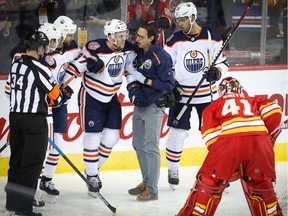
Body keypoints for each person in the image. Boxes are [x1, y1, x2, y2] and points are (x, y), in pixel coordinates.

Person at [176, 76, 283, 216]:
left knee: (209, 183)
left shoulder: (213, 106)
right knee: (261, 185)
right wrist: (263, 138)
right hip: (260, 143)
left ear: (222, 90)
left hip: (230, 145)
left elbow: (211, 139)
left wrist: (227, 164)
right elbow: (275, 112)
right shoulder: (252, 100)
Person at [163, 2, 229, 188]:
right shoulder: (174, 40)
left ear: (192, 18)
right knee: (177, 133)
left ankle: (219, 171)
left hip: (206, 96)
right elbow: (167, 67)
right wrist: (172, 85)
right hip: (181, 95)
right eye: (178, 20)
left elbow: (224, 63)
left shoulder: (212, 37)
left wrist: (216, 72)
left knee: (213, 135)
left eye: (183, 20)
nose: (180, 23)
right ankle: (173, 170)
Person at [4, 30, 62, 216]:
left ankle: (13, 204)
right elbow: (56, 98)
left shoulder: (15, 65)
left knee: (17, 163)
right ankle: (24, 209)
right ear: (39, 48)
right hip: (34, 121)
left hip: (15, 118)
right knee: (32, 165)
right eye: (43, 48)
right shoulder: (41, 68)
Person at [78, 19, 138, 198]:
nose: (124, 38)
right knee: (93, 134)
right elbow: (76, 66)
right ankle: (93, 176)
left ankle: (92, 170)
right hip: (92, 96)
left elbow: (129, 71)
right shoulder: (93, 48)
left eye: (125, 35)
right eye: (120, 36)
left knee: (112, 137)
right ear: (110, 36)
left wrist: (133, 88)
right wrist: (63, 86)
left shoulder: (129, 49)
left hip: (111, 97)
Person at [127, 22, 175, 201]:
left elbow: (169, 84)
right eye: (137, 35)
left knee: (151, 147)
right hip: (139, 104)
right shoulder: (140, 51)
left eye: (141, 36)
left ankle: (152, 190)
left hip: (154, 106)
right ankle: (146, 182)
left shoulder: (161, 56)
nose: (136, 39)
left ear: (151, 38)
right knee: (138, 144)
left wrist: (146, 81)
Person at [39, 16, 81, 199]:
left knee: (58, 142)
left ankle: (47, 179)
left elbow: (74, 70)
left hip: (59, 103)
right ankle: (35, 179)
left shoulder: (71, 48)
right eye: (68, 34)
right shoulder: (44, 54)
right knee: (41, 144)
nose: (71, 37)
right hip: (44, 105)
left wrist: (67, 90)